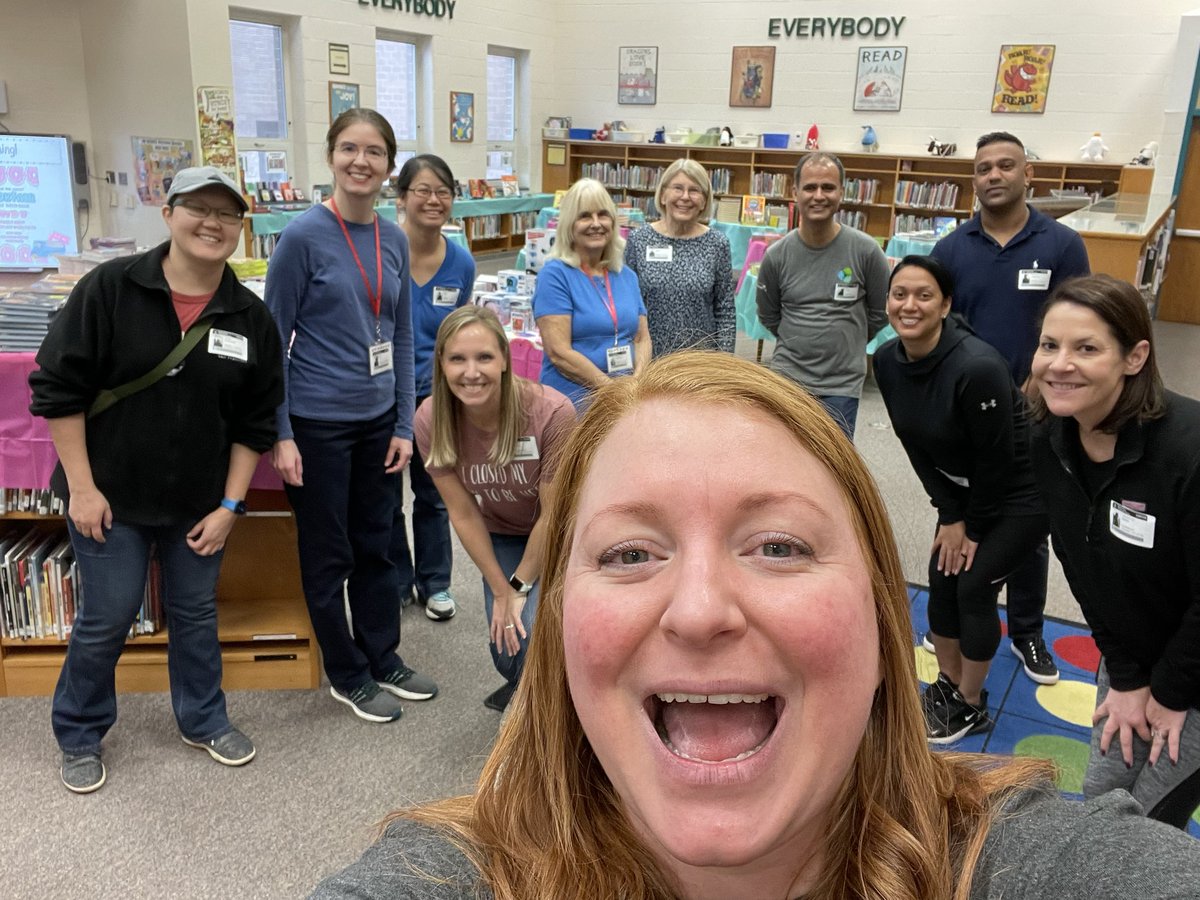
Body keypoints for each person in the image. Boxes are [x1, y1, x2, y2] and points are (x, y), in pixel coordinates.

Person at [311, 351, 1200, 900]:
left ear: (883, 621)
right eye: (627, 554)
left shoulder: (1026, 867)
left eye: (778, 546)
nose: (700, 611)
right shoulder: (444, 879)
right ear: (561, 625)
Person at [29, 166, 284, 793]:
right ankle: (80, 731)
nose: (212, 223)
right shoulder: (110, 288)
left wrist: (231, 505)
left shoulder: (249, 316)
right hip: (108, 496)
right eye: (197, 207)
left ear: (240, 229)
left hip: (199, 502)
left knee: (195, 612)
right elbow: (57, 390)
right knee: (108, 614)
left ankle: (202, 718)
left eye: (227, 214)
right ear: (168, 213)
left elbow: (255, 423)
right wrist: (82, 490)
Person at [265, 109, 437, 724]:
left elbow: (401, 330)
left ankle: (382, 654)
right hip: (316, 424)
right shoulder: (301, 237)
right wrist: (281, 434)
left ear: (389, 165)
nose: (360, 162)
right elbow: (271, 345)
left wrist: (400, 425)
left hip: (375, 426)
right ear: (331, 156)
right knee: (329, 553)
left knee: (378, 545)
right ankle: (346, 672)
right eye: (348, 149)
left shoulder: (393, 239)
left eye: (373, 152)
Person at [1029, 274, 1200, 828]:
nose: (1059, 364)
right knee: (1100, 801)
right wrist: (1127, 677)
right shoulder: (1048, 437)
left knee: (1148, 827)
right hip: (1132, 651)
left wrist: (1170, 693)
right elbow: (1082, 566)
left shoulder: (1188, 448)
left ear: (1135, 357)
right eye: (1049, 345)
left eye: (1086, 348)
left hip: (1196, 672)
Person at [930, 131, 1091, 687]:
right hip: (968, 413)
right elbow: (938, 322)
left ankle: (1026, 630)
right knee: (959, 508)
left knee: (1028, 525)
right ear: (972, 180)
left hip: (1039, 410)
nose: (993, 176)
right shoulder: (951, 248)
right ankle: (952, 615)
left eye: (1005, 166)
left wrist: (1039, 381)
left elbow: (1078, 321)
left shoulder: (1063, 244)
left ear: (1029, 177)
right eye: (982, 169)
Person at [873, 256, 1048, 744]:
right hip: (966, 492)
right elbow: (914, 444)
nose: (909, 305)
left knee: (972, 585)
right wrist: (949, 514)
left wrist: (970, 527)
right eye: (899, 294)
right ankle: (949, 685)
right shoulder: (886, 361)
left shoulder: (978, 367)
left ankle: (971, 704)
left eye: (924, 295)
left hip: (1022, 493)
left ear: (946, 304)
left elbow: (999, 463)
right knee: (940, 577)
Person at [414, 306, 575, 712]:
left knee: (538, 634)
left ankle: (554, 711)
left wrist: (519, 587)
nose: (472, 372)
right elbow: (464, 513)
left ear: (504, 359)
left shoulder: (551, 413)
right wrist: (500, 589)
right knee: (508, 646)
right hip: (501, 532)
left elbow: (553, 516)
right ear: (442, 365)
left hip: (561, 535)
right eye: (457, 359)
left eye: (484, 357)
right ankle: (529, 686)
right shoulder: (431, 420)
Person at [387, 154, 476, 623]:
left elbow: (460, 331)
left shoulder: (460, 262)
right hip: (384, 391)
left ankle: (436, 582)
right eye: (422, 190)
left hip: (437, 396)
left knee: (435, 491)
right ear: (401, 198)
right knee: (386, 496)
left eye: (443, 192)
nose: (433, 200)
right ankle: (399, 580)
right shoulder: (382, 250)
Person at [755, 151, 889, 440]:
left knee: (833, 471)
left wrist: (848, 339)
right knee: (785, 460)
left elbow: (880, 312)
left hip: (841, 385)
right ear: (795, 192)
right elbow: (768, 314)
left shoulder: (866, 251)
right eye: (810, 187)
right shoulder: (777, 256)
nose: (819, 195)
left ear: (841, 192)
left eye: (828, 187)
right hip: (787, 380)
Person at [533, 177, 651, 409]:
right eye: (585, 216)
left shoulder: (626, 275)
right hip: (573, 400)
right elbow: (559, 352)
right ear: (569, 224)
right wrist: (611, 389)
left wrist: (637, 382)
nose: (596, 223)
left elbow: (642, 337)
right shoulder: (555, 275)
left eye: (603, 215)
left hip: (625, 399)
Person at [623, 159, 736, 356]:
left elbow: (725, 310)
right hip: (648, 361)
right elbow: (627, 304)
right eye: (677, 188)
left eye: (694, 190)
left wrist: (724, 365)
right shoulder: (639, 240)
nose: (685, 197)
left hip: (699, 363)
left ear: (704, 200)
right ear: (663, 194)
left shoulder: (717, 243)